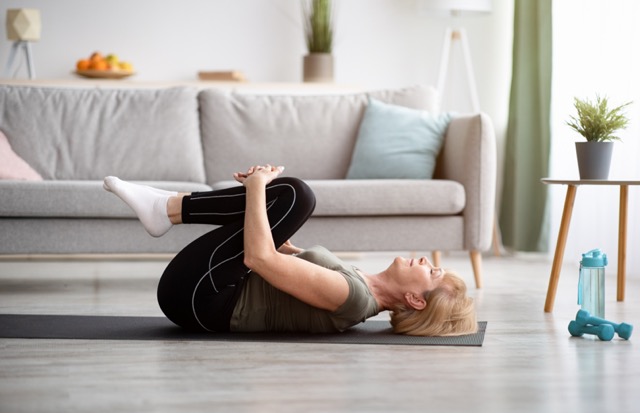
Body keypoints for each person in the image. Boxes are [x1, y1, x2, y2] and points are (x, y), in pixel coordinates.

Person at [103, 165, 477, 336]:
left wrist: (255, 188)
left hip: (201, 299)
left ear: (414, 299)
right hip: (209, 289)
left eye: (432, 273)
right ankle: (166, 208)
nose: (428, 262)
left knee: (297, 195)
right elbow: (279, 253)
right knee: (287, 196)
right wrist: (260, 200)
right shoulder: (361, 285)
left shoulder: (353, 299)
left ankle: (166, 208)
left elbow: (260, 258)